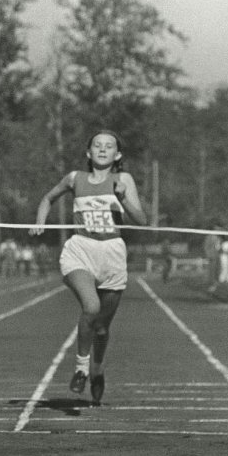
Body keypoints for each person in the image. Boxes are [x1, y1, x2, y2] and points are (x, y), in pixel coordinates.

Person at [31, 130, 147, 404]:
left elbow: (142, 220)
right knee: (91, 307)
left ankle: (97, 368)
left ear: (117, 155)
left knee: (102, 328)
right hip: (80, 250)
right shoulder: (74, 179)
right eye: (97, 145)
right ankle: (81, 367)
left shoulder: (123, 180)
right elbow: (48, 198)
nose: (103, 149)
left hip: (112, 255)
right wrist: (40, 220)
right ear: (88, 152)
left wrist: (123, 198)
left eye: (109, 146)